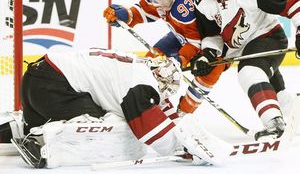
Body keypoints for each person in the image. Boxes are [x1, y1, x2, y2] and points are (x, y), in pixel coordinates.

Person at [1, 48, 232, 168]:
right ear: (160, 82)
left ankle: (27, 129)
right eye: (165, 90)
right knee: (109, 125)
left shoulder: (139, 67)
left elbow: (165, 112)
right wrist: (180, 149)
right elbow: (149, 129)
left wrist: (192, 136)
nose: (164, 95)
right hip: (55, 86)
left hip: (36, 77)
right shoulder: (142, 84)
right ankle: (40, 141)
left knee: (28, 125)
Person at [192, 0, 300, 141]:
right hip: (240, 47)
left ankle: (274, 123)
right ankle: (293, 112)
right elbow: (212, 35)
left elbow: (292, 4)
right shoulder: (203, 1)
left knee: (249, 72)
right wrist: (207, 54)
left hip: (268, 35)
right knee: (275, 90)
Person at [103, 0, 228, 115]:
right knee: (149, 63)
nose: (158, 3)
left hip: (214, 42)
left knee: (209, 73)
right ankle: (141, 106)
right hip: (181, 35)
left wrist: (178, 61)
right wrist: (124, 15)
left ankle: (183, 114)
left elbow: (195, 42)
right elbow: (145, 11)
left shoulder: (187, 3)